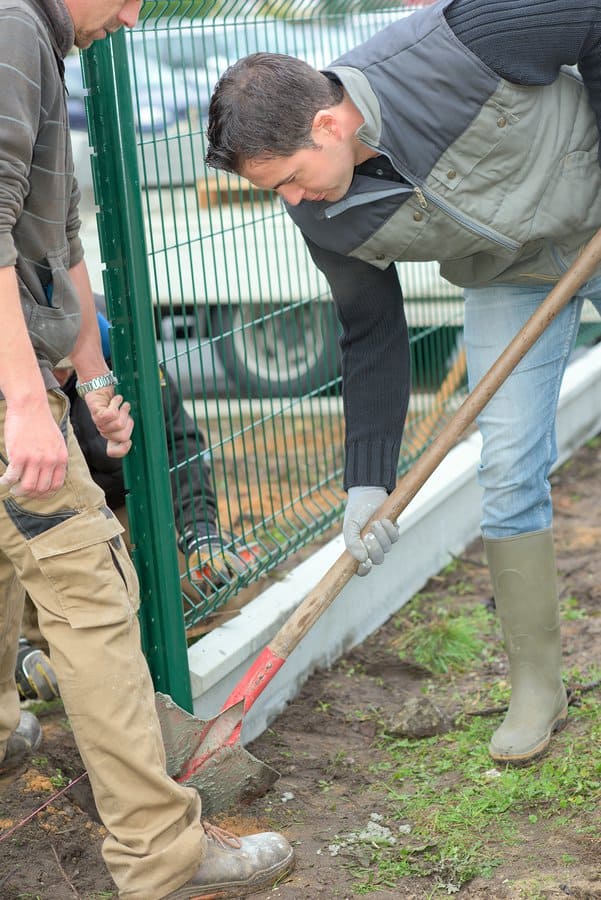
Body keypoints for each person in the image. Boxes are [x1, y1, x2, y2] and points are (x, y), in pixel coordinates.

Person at [205, 0, 601, 766]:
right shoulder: (322, 212)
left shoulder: (458, 42)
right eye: (272, 191)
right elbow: (370, 333)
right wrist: (366, 482)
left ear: (328, 124)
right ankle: (535, 684)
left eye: (289, 179)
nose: (291, 203)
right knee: (507, 466)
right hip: (511, 277)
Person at [0, 1, 294, 898]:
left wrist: (90, 379)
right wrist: (23, 405)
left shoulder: (40, 43)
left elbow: (58, 240)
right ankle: (164, 857)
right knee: (89, 596)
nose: (130, 15)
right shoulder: (10, 27)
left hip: (32, 366)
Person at [20, 302, 258, 653]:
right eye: (47, 367)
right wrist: (17, 646)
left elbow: (177, 443)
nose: (59, 378)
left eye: (68, 365)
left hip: (122, 507)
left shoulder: (121, 344)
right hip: (39, 527)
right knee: (68, 641)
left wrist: (200, 530)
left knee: (226, 588)